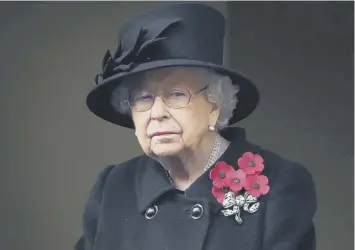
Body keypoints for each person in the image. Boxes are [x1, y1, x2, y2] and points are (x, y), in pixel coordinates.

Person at [75, 3, 317, 250]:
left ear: (215, 104)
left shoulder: (280, 185)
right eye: (143, 98)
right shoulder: (113, 186)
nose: (157, 113)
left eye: (177, 94)